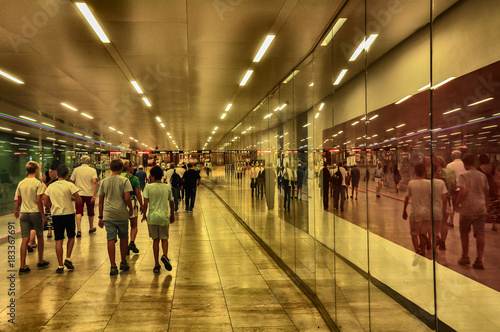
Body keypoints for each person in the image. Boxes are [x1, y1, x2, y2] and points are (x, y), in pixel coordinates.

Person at [97, 159, 133, 276]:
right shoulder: (125, 180)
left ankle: (113, 266)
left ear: (111, 168)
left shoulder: (104, 182)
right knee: (123, 237)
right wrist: (131, 209)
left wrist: (100, 216)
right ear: (122, 169)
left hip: (108, 214)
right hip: (121, 214)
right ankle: (123, 261)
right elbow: (127, 198)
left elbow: (101, 200)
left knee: (110, 239)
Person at [44, 165, 82, 274]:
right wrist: (73, 198)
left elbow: (45, 201)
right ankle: (68, 258)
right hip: (69, 214)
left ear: (57, 174)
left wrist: (51, 205)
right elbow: (79, 200)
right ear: (66, 174)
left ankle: (60, 266)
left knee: (58, 240)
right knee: (71, 236)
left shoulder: (51, 186)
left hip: (56, 215)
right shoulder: (70, 185)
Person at [402, 163, 447, 255]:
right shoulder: (429, 184)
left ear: (415, 172)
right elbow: (432, 197)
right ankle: (423, 250)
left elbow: (406, 198)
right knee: (423, 233)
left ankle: (417, 251)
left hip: (415, 212)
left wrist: (404, 210)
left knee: (414, 233)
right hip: (426, 213)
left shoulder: (411, 183)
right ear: (424, 172)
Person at [15, 161, 49, 274]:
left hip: (24, 213)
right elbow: (39, 200)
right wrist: (43, 216)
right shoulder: (38, 183)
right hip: (35, 212)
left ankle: (22, 265)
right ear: (36, 170)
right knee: (40, 236)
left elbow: (18, 200)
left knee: (25, 238)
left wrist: (18, 209)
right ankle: (40, 260)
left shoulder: (21, 183)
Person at [456, 154, 489, 269]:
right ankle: (479, 260)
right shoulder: (482, 175)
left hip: (467, 208)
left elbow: (463, 192)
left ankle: (465, 257)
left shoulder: (463, 176)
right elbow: (486, 192)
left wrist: (457, 203)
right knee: (480, 233)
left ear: (465, 164)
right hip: (480, 207)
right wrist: (487, 206)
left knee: (464, 232)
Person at [142, 166, 175, 273]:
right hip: (164, 217)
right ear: (161, 176)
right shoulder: (167, 187)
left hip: (152, 217)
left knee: (155, 240)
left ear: (152, 176)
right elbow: (171, 202)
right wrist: (172, 215)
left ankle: (156, 265)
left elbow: (145, 203)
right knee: (164, 238)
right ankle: (165, 255)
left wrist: (144, 215)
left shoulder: (148, 187)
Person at [70, 155, 98, 237]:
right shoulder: (92, 170)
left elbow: (72, 181)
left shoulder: (76, 170)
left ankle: (79, 229)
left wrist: (73, 193)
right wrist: (94, 194)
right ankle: (91, 227)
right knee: (91, 212)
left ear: (81, 161)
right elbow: (94, 182)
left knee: (78, 211)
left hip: (79, 194)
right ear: (89, 162)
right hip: (89, 193)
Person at [433, 156, 456, 250]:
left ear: (436, 163)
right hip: (448, 199)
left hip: (437, 200)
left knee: (435, 223)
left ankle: (436, 240)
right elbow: (454, 185)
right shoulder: (450, 172)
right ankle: (443, 242)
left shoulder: (436, 174)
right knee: (444, 223)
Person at [121, 161, 144, 255]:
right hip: (131, 201)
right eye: (133, 166)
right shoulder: (134, 179)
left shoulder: (118, 177)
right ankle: (132, 242)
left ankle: (124, 245)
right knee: (134, 225)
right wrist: (142, 204)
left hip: (120, 203)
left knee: (123, 226)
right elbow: (138, 193)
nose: (134, 168)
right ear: (129, 168)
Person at [478, 154, 499, 231]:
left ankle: (483, 222)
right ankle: (494, 224)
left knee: (484, 205)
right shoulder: (492, 166)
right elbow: (498, 174)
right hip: (493, 188)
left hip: (484, 188)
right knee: (493, 206)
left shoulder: (479, 169)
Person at [447, 150, 466, 227]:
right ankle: (463, 222)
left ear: (453, 156)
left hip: (454, 188)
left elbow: (449, 177)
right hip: (464, 188)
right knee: (463, 205)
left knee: (453, 205)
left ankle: (451, 221)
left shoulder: (449, 165)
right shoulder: (465, 165)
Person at [41, 160, 60, 238]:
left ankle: (49, 231)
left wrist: (48, 182)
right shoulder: (59, 173)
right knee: (56, 211)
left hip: (48, 193)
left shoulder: (47, 173)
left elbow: (41, 182)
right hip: (57, 193)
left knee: (48, 212)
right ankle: (57, 228)